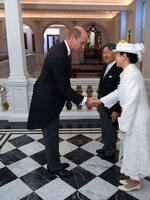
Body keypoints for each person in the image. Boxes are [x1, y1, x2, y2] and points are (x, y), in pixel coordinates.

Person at [91, 42, 150, 191]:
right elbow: (118, 93)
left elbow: (130, 102)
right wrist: (100, 100)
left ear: (125, 56)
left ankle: (135, 182)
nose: (115, 57)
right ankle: (132, 178)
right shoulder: (128, 72)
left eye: (117, 54)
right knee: (131, 149)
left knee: (134, 149)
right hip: (134, 117)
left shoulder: (132, 74)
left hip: (136, 119)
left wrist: (124, 125)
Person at [27, 26, 91, 177]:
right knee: (51, 136)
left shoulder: (62, 50)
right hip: (47, 102)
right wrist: (85, 100)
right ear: (73, 37)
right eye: (82, 43)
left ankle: (54, 162)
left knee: (53, 135)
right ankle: (54, 167)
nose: (83, 48)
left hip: (50, 99)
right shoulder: (58, 55)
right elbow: (63, 87)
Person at [96, 43, 122, 158]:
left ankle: (111, 150)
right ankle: (105, 147)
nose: (105, 55)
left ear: (114, 53)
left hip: (113, 107)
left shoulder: (118, 69)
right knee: (104, 127)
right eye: (103, 52)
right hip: (103, 104)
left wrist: (117, 110)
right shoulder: (105, 67)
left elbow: (120, 92)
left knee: (111, 129)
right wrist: (98, 102)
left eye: (107, 52)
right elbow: (101, 87)